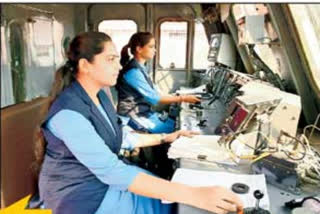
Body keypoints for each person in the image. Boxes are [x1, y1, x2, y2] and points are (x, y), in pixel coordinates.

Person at [34, 32, 243, 214]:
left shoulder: (100, 97)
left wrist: (165, 137)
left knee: (168, 196)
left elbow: (121, 136)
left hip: (102, 182)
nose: (118, 65)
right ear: (85, 65)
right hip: (80, 197)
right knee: (172, 204)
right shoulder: (68, 115)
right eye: (110, 59)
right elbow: (112, 171)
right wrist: (194, 195)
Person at [116, 32, 201, 133]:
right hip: (132, 115)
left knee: (173, 123)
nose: (155, 50)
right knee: (175, 130)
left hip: (144, 112)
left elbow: (156, 90)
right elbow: (154, 98)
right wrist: (183, 98)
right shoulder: (133, 72)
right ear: (139, 49)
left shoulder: (141, 68)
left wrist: (177, 96)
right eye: (151, 47)